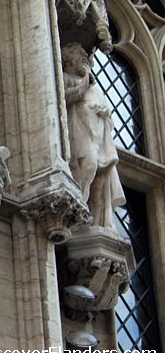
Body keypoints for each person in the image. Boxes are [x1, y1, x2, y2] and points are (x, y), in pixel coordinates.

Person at [62, 43, 125, 228]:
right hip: (80, 131)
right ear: (67, 61)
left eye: (84, 54)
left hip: (99, 135)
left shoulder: (96, 88)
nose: (83, 56)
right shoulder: (66, 78)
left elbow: (109, 118)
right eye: (77, 54)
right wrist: (83, 86)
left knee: (100, 176)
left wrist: (105, 113)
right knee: (88, 165)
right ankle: (76, 205)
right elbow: (62, 97)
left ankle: (97, 220)